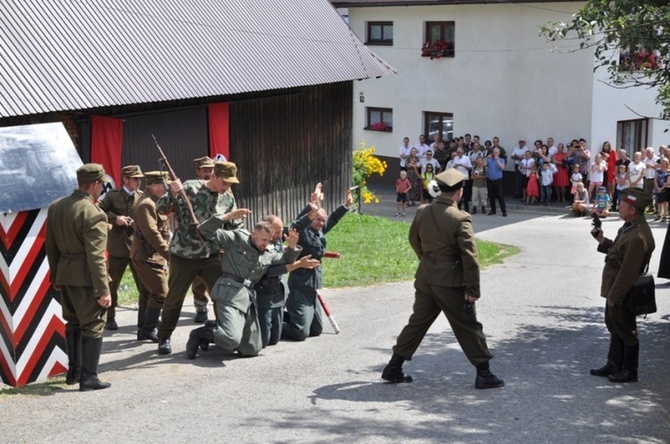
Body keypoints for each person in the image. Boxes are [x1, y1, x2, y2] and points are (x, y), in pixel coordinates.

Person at [381, 168, 504, 389]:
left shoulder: (422, 211)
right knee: (468, 326)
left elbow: (413, 240)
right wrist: (473, 290)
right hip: (450, 282)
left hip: (426, 277)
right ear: (459, 191)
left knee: (417, 323)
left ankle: (393, 367)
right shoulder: (460, 218)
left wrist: (427, 259)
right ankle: (484, 374)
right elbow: (470, 258)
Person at [186, 212, 319, 358]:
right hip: (229, 293)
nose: (266, 243)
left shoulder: (267, 251)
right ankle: (199, 334)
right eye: (263, 239)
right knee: (231, 340)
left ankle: (214, 328)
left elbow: (283, 260)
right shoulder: (237, 238)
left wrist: (292, 247)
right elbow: (205, 231)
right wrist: (226, 217)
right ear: (254, 234)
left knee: (252, 349)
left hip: (247, 297)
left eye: (268, 240)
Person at [155, 161, 244, 354]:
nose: (227, 187)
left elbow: (234, 228)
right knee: (174, 299)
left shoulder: (227, 198)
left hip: (211, 256)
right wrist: (173, 192)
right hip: (184, 255)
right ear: (213, 176)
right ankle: (164, 337)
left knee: (221, 297)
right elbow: (161, 209)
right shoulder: (189, 188)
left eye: (230, 184)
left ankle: (224, 333)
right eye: (224, 182)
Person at [45, 164, 112, 391]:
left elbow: (51, 247)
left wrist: (56, 275)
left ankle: (73, 372)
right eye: (101, 184)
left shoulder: (56, 207)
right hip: (86, 278)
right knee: (93, 324)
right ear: (94, 184)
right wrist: (103, 290)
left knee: (72, 322)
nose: (102, 188)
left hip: (65, 274)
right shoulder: (93, 213)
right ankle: (89, 377)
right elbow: (96, 257)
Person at [590, 188, 655, 383]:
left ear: (633, 210)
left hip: (622, 289)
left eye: (622, 206)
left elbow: (629, 270)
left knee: (627, 329)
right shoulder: (629, 227)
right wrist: (602, 240)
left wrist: (614, 297)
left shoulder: (638, 236)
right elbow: (618, 251)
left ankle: (629, 370)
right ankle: (613, 363)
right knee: (614, 325)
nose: (619, 208)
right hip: (615, 286)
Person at [282, 188, 354, 341]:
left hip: (313, 287)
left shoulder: (319, 231)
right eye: (317, 219)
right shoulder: (302, 233)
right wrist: (312, 205)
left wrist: (346, 205)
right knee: (300, 333)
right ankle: (271, 322)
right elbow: (297, 223)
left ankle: (283, 316)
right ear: (311, 218)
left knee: (316, 330)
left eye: (323, 220)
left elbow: (333, 219)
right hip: (300, 287)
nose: (321, 223)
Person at [253, 215, 318, 348]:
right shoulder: (262, 244)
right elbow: (271, 270)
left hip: (278, 293)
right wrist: (299, 264)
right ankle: (219, 330)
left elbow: (296, 226)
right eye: (277, 232)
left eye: (281, 230)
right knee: (263, 341)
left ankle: (284, 318)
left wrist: (311, 213)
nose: (280, 234)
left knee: (274, 340)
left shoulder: (277, 240)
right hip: (264, 293)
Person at [97, 165, 144, 331]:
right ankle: (110, 317)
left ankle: (144, 319)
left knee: (143, 283)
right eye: (135, 178)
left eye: (139, 179)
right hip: (117, 246)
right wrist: (115, 218)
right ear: (126, 179)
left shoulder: (142, 196)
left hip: (137, 246)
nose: (139, 182)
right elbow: (98, 211)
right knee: (112, 283)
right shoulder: (112, 196)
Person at [130, 171, 171, 343]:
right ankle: (149, 328)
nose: (166, 188)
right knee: (161, 293)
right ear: (154, 186)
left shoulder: (154, 202)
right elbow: (152, 234)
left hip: (150, 255)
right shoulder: (147, 204)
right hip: (146, 255)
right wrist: (168, 254)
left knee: (147, 292)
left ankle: (144, 328)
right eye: (164, 185)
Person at [191, 156, 216, 323]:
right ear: (198, 172)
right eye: (205, 170)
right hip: (196, 240)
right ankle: (200, 308)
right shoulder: (191, 190)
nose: (209, 173)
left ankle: (222, 311)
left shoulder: (220, 187)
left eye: (211, 170)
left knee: (217, 276)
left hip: (215, 238)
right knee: (198, 278)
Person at [486, 148, 507, 217]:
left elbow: (502, 167)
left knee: (500, 196)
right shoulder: (489, 160)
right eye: (494, 152)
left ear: (499, 153)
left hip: (498, 180)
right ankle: (493, 210)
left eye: (497, 152)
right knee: (491, 196)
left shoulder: (501, 160)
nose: (495, 154)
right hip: (490, 179)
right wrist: (486, 158)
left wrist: (497, 160)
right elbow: (482, 163)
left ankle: (503, 211)